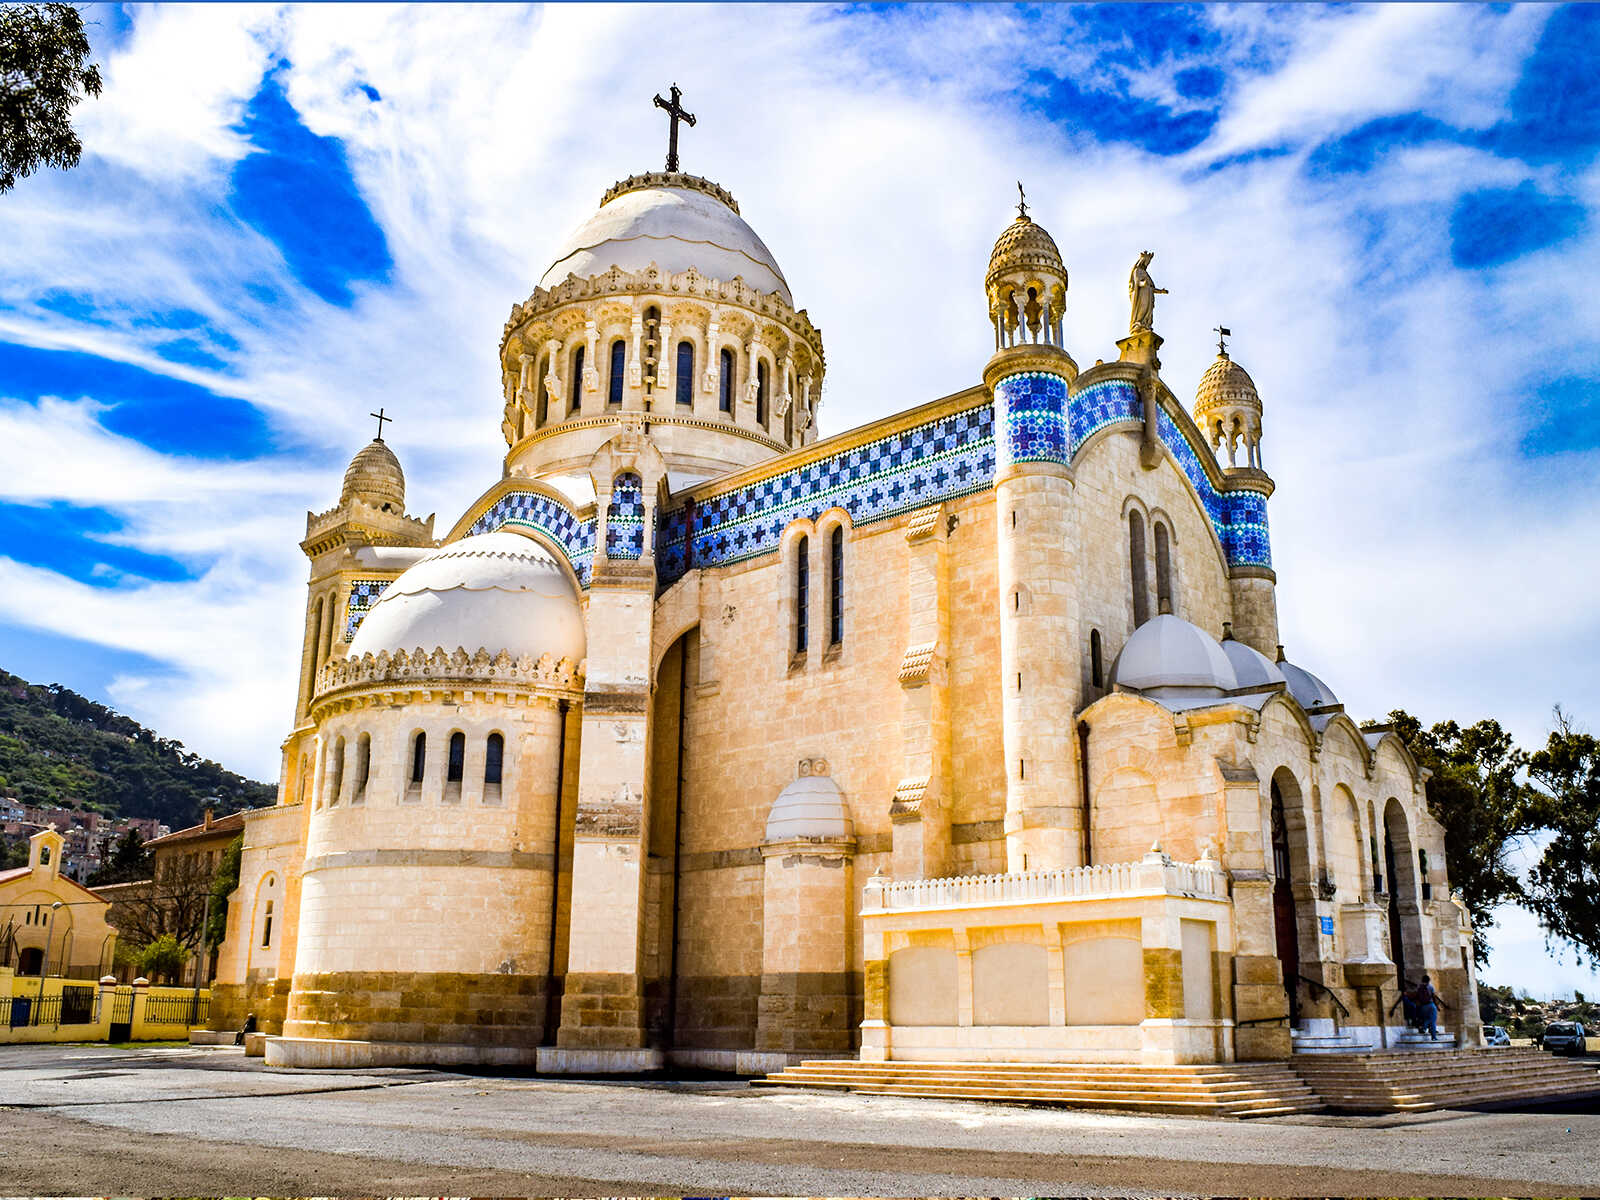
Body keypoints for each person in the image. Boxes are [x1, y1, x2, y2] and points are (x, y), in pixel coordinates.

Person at [1416, 974, 1445, 1040]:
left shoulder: (1419, 987)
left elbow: (1417, 996)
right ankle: (1433, 1036)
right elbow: (1434, 997)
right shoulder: (1430, 987)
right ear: (1429, 980)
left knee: (1428, 1018)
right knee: (1433, 1021)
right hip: (1431, 1005)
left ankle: (1424, 1028)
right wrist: (1437, 1006)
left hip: (1423, 1006)